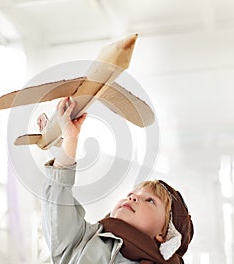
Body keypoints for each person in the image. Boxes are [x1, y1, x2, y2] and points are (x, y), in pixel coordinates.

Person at [41, 97, 193, 264]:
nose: (133, 198)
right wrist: (70, 140)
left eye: (150, 200)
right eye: (132, 194)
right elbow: (58, 200)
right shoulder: (84, 239)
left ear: (164, 236)